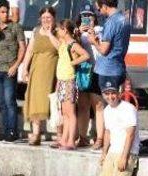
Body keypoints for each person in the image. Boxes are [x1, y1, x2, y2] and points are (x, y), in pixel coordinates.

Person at [86, 0, 130, 151]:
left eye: (99, 6)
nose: (98, 10)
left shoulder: (112, 22)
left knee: (108, 106)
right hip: (114, 67)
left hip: (107, 69)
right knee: (102, 105)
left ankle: (105, 140)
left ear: (105, 5)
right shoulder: (123, 19)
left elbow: (104, 50)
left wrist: (93, 41)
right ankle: (101, 138)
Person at [95, 80, 140, 176]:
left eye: (113, 93)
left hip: (126, 152)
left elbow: (130, 134)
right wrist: (104, 153)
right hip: (112, 151)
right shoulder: (107, 110)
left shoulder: (128, 108)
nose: (110, 97)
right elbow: (107, 132)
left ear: (119, 93)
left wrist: (124, 157)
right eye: (107, 94)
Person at [0, 0, 26, 142]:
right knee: (2, 102)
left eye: (7, 11)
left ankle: (12, 131)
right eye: (2, 12)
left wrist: (16, 66)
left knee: (10, 101)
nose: (5, 14)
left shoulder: (16, 27)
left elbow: (23, 47)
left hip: (9, 70)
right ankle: (5, 131)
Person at [21, 6, 59, 145]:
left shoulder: (58, 31)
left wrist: (50, 34)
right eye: (43, 18)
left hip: (52, 72)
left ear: (54, 18)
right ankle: (36, 134)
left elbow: (60, 48)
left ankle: (59, 135)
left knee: (52, 103)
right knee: (35, 102)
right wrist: (25, 68)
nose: (46, 20)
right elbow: (30, 50)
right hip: (36, 71)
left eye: (49, 17)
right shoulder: (36, 31)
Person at [52, 19, 89, 150]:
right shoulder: (63, 43)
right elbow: (55, 39)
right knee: (65, 113)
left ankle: (71, 141)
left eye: (59, 29)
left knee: (71, 113)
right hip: (62, 81)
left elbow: (86, 55)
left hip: (69, 81)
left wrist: (73, 63)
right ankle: (65, 139)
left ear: (65, 30)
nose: (57, 30)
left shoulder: (72, 44)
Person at [76, 4, 104, 148]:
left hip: (96, 70)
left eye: (89, 16)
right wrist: (78, 34)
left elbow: (102, 49)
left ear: (95, 17)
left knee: (98, 105)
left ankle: (100, 138)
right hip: (83, 71)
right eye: (84, 16)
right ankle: (82, 137)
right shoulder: (78, 33)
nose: (86, 19)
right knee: (83, 105)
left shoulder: (100, 30)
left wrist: (93, 34)